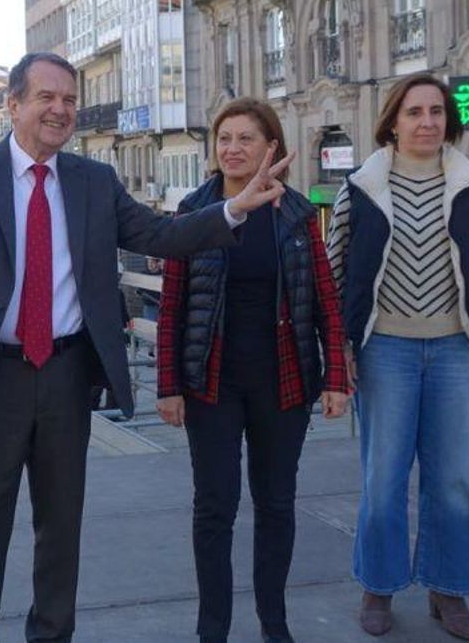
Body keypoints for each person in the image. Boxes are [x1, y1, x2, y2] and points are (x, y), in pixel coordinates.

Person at [0, 52, 292, 643]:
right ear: (13, 105)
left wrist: (234, 207)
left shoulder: (94, 180)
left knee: (61, 526)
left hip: (64, 374)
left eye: (70, 100)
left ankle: (51, 635)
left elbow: (162, 235)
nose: (60, 110)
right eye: (46, 98)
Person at [324, 74, 469, 641]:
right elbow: (335, 273)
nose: (427, 122)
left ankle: (448, 589)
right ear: (393, 121)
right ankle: (379, 587)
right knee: (382, 478)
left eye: (436, 112)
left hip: (457, 350)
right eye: (414, 112)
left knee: (454, 479)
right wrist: (338, 352)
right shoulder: (361, 187)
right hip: (384, 350)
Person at [154, 99, 353, 643]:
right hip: (211, 381)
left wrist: (336, 375)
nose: (232, 149)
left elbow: (324, 299)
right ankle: (212, 629)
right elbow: (172, 305)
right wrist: (168, 385)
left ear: (272, 148)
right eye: (224, 138)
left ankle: (274, 623)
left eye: (246, 138)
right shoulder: (193, 211)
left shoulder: (295, 212)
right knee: (214, 507)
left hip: (283, 379)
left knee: (276, 504)